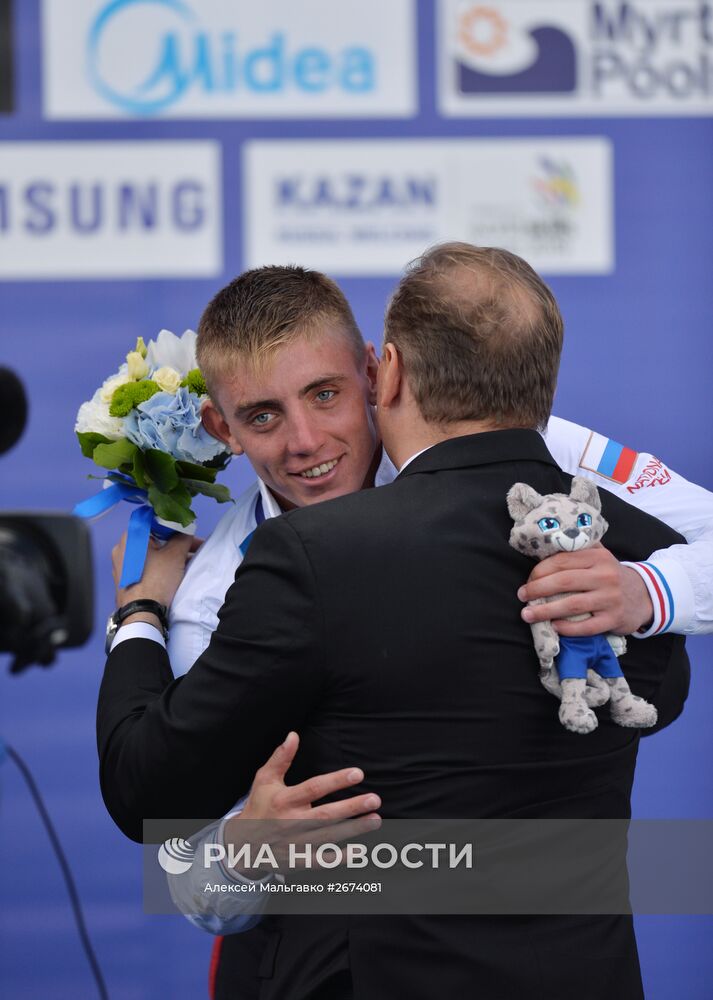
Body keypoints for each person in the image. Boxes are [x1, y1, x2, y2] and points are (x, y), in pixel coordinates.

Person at [99, 243, 695, 999]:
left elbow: (144, 791)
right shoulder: (210, 590)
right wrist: (237, 857)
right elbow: (174, 845)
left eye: (324, 395)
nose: (305, 442)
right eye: (263, 415)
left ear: (379, 374)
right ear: (221, 427)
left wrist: (651, 590)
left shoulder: (600, 543)